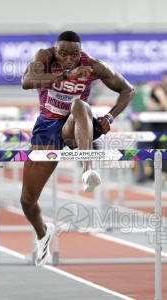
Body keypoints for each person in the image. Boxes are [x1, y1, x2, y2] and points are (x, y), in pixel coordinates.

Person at [20, 31, 134, 267]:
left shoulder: (93, 66)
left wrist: (111, 118)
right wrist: (65, 74)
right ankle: (43, 233)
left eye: (75, 54)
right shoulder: (46, 57)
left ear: (81, 53)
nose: (70, 58)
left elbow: (128, 90)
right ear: (57, 50)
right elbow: (27, 82)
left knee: (80, 105)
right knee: (27, 200)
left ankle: (87, 170)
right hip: (48, 126)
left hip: (76, 126)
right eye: (64, 53)